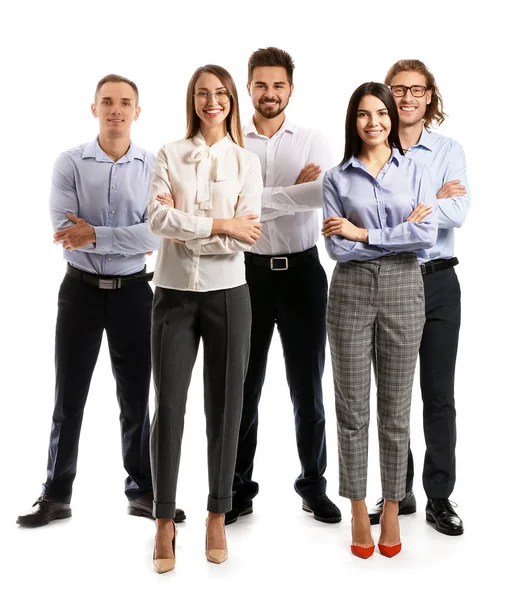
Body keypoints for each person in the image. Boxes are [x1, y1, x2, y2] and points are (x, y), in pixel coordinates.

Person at [16, 74, 185, 527]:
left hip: (134, 294)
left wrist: (97, 233)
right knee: (68, 397)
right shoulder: (69, 163)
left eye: (125, 103)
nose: (116, 110)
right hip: (80, 294)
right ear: (94, 109)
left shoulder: (154, 165)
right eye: (107, 102)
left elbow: (159, 231)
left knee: (135, 398)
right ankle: (56, 494)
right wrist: (124, 238)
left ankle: (143, 491)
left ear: (138, 111)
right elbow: (64, 233)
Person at [147, 64, 262, 572]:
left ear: (232, 99)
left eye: (220, 93)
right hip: (173, 293)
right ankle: (164, 521)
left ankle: (218, 514)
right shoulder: (168, 154)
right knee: (168, 408)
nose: (211, 101)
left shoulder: (246, 161)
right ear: (192, 100)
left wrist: (187, 226)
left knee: (226, 408)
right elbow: (155, 220)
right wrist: (220, 224)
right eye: (202, 94)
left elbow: (249, 234)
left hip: (228, 295)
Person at [322, 82, 438, 558]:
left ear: (393, 117)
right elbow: (335, 247)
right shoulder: (336, 177)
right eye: (364, 115)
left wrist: (362, 231)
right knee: (352, 410)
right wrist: (395, 231)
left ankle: (391, 507)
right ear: (353, 121)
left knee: (395, 408)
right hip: (349, 290)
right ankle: (355, 508)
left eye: (382, 114)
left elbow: (425, 234)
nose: (375, 123)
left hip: (404, 288)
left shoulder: (416, 169)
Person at [227, 47, 342, 526]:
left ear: (290, 88)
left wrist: (254, 200)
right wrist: (287, 196)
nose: (269, 93)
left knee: (307, 388)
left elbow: (322, 193)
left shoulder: (313, 138)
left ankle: (313, 486)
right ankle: (236, 489)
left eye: (278, 85)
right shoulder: (232, 142)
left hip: (302, 275)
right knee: (242, 388)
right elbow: (225, 204)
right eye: (260, 85)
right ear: (248, 88)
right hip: (246, 275)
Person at [368, 60, 470, 536]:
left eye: (416, 90)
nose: (407, 98)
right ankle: (397, 492)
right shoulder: (373, 145)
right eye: (398, 89)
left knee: (438, 395)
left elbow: (459, 211)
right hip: (391, 277)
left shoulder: (449, 149)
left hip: (439, 284)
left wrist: (401, 209)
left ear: (430, 96)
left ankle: (440, 498)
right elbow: (363, 209)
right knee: (393, 396)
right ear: (388, 94)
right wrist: (430, 199)